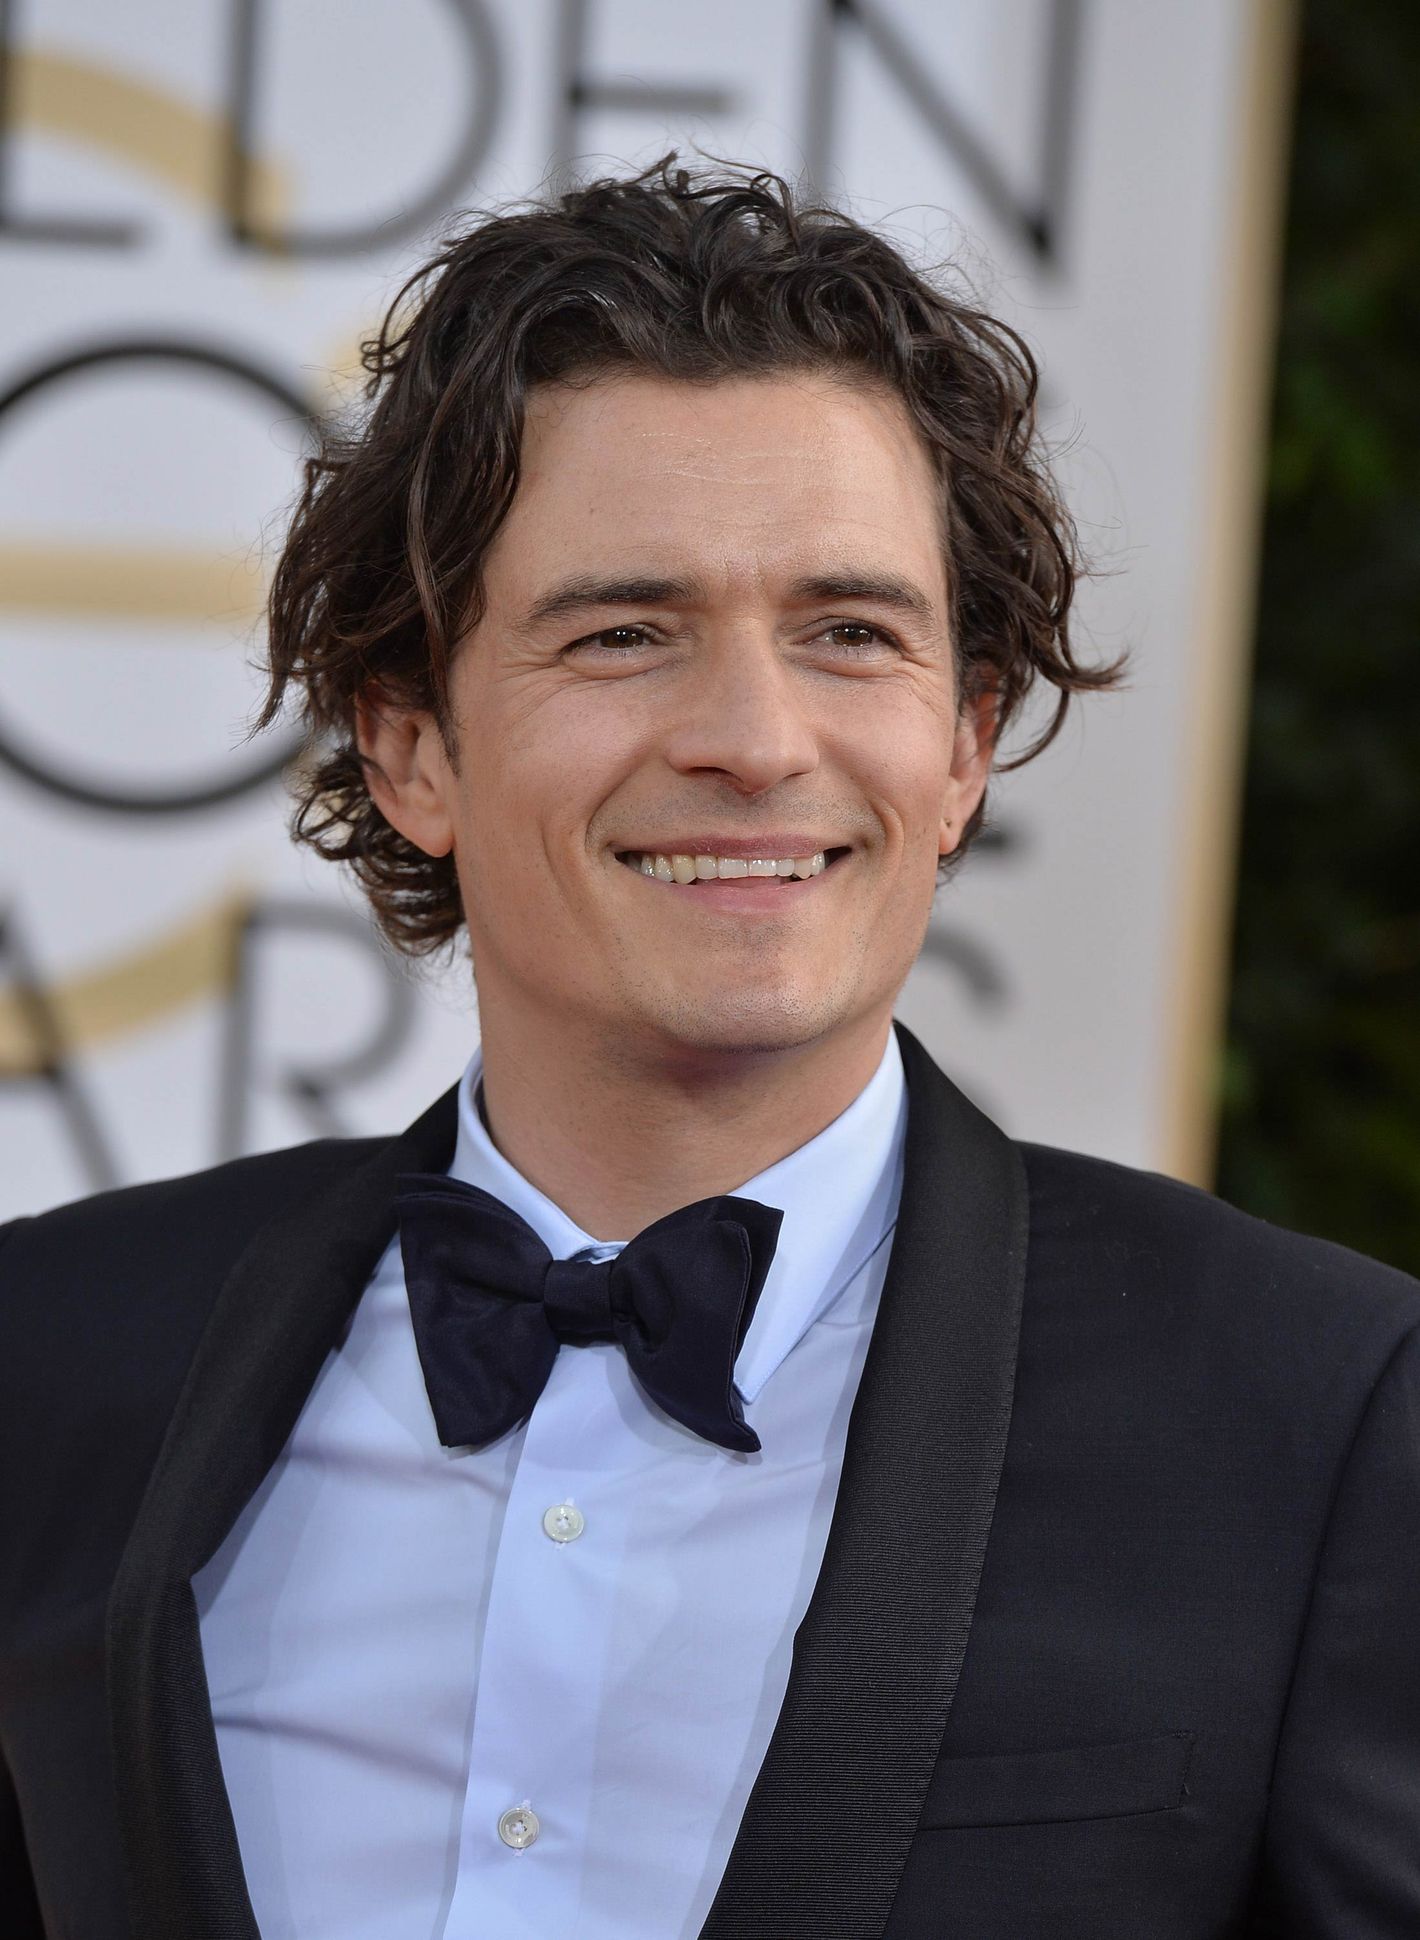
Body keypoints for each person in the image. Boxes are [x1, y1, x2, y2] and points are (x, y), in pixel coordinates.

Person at [2, 156, 1417, 1940]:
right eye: (624, 634)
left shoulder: (1313, 1415)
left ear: (963, 746)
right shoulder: (47, 1361)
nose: (754, 738)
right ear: (411, 747)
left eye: (849, 635)